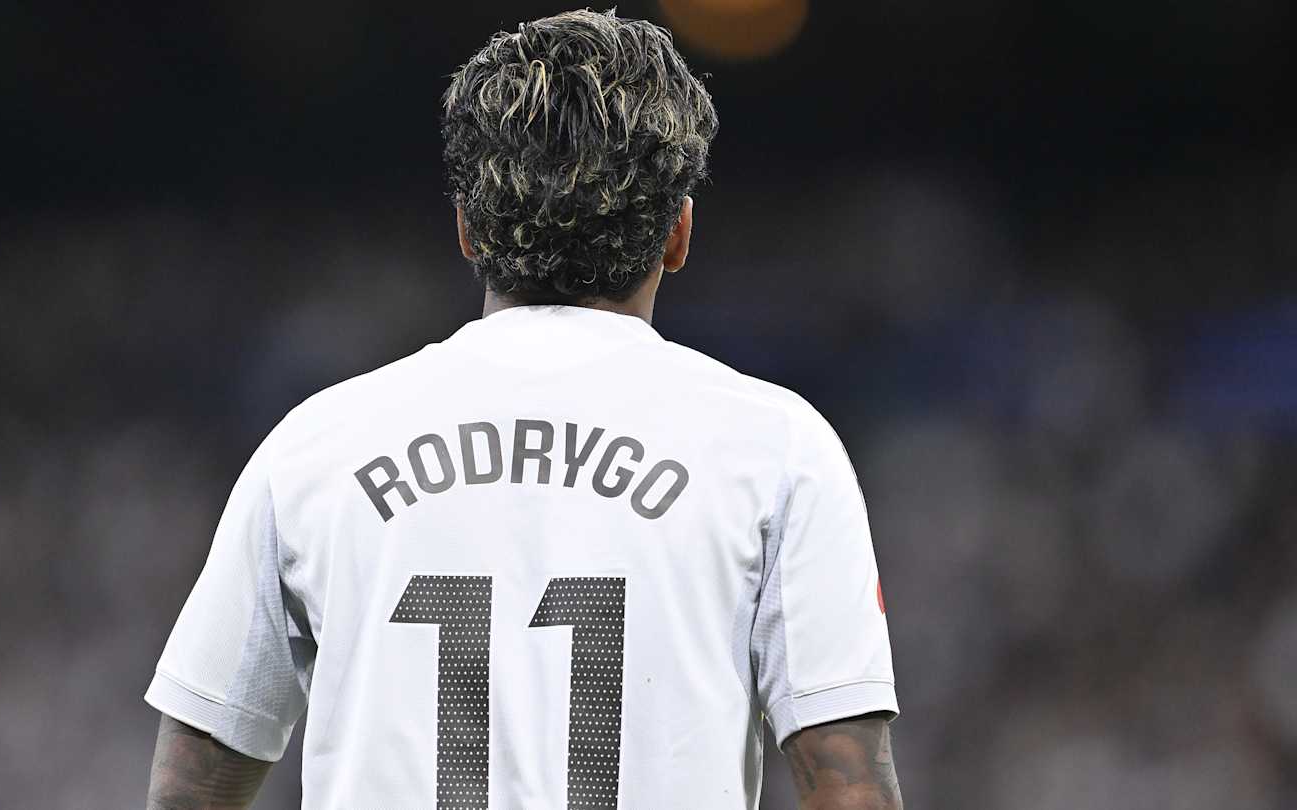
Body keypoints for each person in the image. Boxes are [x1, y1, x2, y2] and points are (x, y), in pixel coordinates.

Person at [144, 9, 901, 809]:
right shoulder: (775, 448)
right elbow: (849, 787)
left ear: (467, 229)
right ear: (678, 233)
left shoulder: (316, 447)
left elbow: (190, 787)